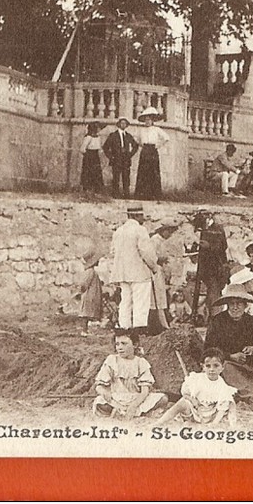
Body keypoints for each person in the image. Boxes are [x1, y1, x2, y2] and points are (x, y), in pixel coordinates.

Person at [204, 279, 253, 409]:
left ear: (245, 305)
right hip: (228, 361)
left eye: (239, 303)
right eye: (232, 303)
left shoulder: (250, 320)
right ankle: (251, 396)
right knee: (227, 368)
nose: (235, 307)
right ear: (227, 305)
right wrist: (230, 356)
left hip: (248, 361)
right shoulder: (217, 321)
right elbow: (208, 349)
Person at [154, 348, 238, 428]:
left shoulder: (221, 385)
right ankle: (160, 422)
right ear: (203, 367)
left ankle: (213, 424)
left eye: (216, 366)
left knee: (229, 402)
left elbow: (222, 408)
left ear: (222, 368)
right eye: (208, 366)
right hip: (195, 412)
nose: (212, 369)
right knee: (182, 402)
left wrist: (214, 423)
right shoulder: (197, 379)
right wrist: (192, 400)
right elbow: (185, 393)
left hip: (211, 415)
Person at [92, 330, 167, 418]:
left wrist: (133, 406)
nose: (120, 347)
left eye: (124, 343)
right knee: (100, 402)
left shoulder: (141, 363)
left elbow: (144, 391)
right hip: (116, 399)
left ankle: (128, 413)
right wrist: (106, 394)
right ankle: (124, 411)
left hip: (136, 399)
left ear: (135, 345)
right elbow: (99, 386)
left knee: (163, 399)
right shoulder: (112, 360)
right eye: (117, 344)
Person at [108, 205, 158, 334]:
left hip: (123, 273)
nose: (143, 219)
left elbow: (113, 251)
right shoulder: (140, 230)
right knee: (140, 302)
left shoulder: (119, 231)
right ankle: (139, 330)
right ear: (135, 216)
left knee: (125, 301)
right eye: (141, 216)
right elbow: (146, 252)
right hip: (139, 273)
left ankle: (124, 328)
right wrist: (154, 267)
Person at [192, 210, 230, 318]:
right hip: (204, 266)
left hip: (216, 267)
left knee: (214, 291)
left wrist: (209, 246)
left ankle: (215, 317)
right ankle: (207, 316)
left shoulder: (218, 229)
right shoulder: (203, 228)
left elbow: (223, 247)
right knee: (209, 292)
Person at [132, 107, 170, 200]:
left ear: (152, 120)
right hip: (145, 150)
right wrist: (141, 145)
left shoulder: (156, 129)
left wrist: (158, 145)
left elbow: (166, 137)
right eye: (146, 120)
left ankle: (154, 195)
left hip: (153, 150)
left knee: (153, 172)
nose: (147, 122)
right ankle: (142, 194)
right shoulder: (141, 130)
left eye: (149, 120)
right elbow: (135, 138)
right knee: (143, 172)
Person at [102, 117, 139, 197]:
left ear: (126, 125)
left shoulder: (128, 136)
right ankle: (115, 194)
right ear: (118, 124)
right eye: (122, 123)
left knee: (126, 177)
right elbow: (105, 147)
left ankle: (126, 194)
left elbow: (135, 146)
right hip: (116, 159)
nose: (123, 125)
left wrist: (130, 154)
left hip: (125, 159)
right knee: (116, 177)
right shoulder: (113, 135)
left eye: (125, 123)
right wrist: (111, 157)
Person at [79, 122, 105, 194]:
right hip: (89, 157)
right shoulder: (88, 137)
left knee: (96, 172)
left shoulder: (98, 137)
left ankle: (96, 189)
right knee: (88, 172)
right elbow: (82, 149)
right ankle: (87, 188)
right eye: (97, 128)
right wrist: (88, 155)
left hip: (95, 156)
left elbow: (99, 148)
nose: (98, 130)